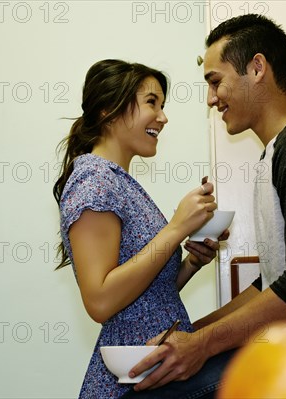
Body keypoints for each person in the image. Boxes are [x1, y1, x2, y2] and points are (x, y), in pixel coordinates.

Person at [128, 13, 286, 394]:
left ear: (257, 67)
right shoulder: (277, 152)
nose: (211, 99)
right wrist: (194, 333)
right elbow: (274, 284)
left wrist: (203, 344)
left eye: (215, 82)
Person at [53, 59, 232, 398]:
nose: (163, 117)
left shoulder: (119, 182)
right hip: (134, 384)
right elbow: (101, 301)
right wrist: (176, 229)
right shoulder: (94, 182)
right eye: (152, 103)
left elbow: (146, 296)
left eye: (162, 106)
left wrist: (192, 263)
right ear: (109, 110)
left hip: (153, 372)